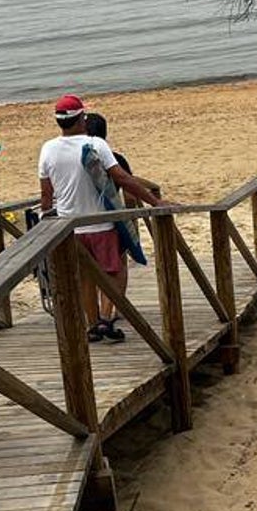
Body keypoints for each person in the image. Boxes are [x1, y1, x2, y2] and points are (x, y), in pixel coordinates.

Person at [38, 95, 170, 343]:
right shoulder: (95, 144)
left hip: (69, 227)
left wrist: (46, 216)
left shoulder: (47, 149)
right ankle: (106, 320)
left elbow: (47, 193)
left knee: (86, 278)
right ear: (81, 118)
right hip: (101, 223)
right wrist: (155, 202)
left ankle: (92, 324)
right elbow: (122, 178)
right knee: (113, 272)